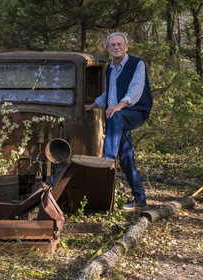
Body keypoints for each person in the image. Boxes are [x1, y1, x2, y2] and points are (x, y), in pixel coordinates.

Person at [85, 32, 153, 210]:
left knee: (115, 115)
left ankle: (107, 160)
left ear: (126, 47)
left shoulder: (136, 64)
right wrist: (93, 104)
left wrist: (119, 106)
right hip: (118, 118)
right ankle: (140, 199)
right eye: (112, 45)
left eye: (119, 44)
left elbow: (136, 90)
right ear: (108, 49)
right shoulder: (110, 68)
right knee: (126, 158)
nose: (116, 47)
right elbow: (109, 94)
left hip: (135, 111)